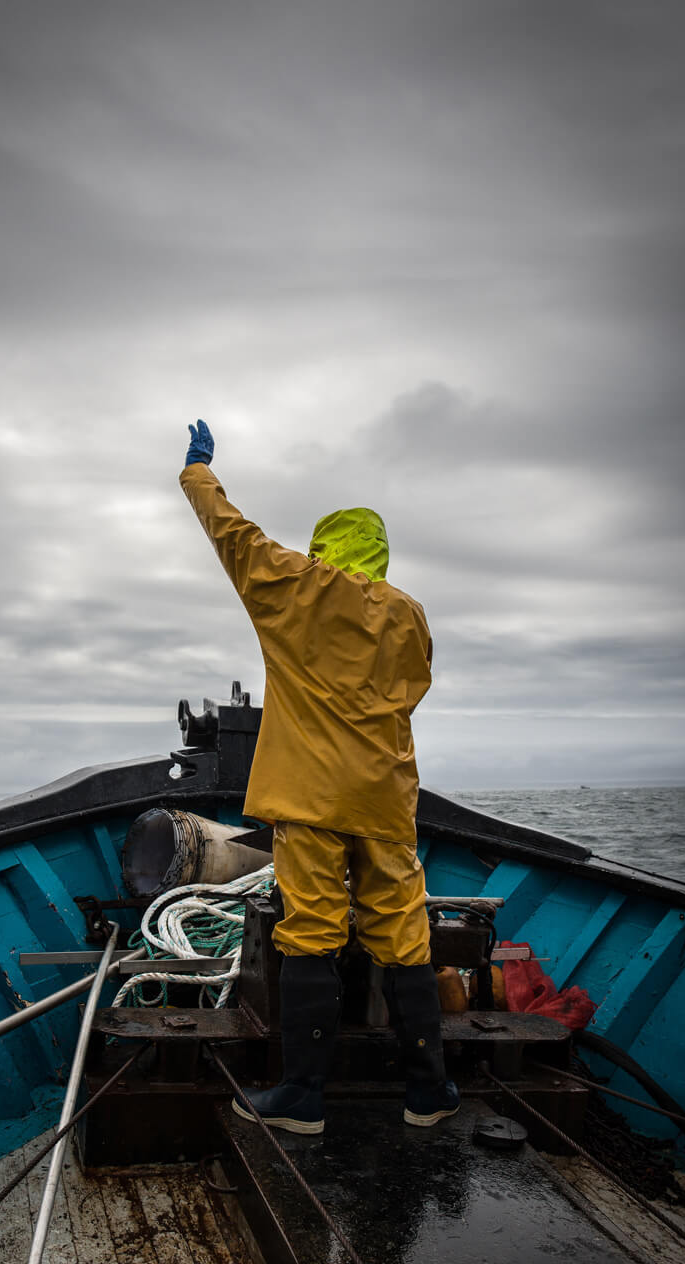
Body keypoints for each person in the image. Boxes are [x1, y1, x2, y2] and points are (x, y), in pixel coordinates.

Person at [180, 418, 459, 1135]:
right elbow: (413, 688)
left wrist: (198, 471)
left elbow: (232, 535)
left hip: (308, 793)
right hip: (385, 795)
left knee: (311, 931)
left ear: (326, 547)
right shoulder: (409, 613)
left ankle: (302, 1096)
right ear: (381, 554)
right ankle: (428, 1090)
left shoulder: (293, 585)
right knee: (403, 932)